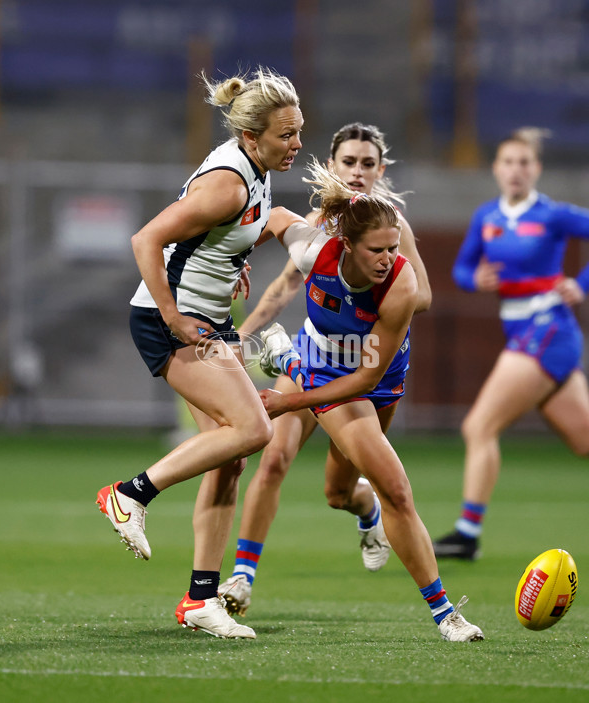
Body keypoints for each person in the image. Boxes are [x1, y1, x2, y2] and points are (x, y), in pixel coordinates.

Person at [95, 67, 303, 639]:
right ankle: (129, 494)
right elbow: (147, 239)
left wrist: (235, 263)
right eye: (286, 135)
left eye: (299, 131)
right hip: (174, 323)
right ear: (253, 136)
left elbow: (226, 233)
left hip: (205, 318)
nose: (297, 144)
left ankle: (199, 602)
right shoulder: (231, 182)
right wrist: (173, 316)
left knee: (228, 457)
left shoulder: (254, 173)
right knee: (255, 429)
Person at [251, 159, 484, 641]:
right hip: (329, 374)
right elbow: (271, 217)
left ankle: (364, 510)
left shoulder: (400, 284)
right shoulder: (315, 251)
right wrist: (236, 259)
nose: (387, 258)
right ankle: (447, 615)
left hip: (374, 382)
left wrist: (287, 396)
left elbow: (367, 377)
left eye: (393, 248)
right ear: (348, 246)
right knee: (397, 487)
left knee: (338, 492)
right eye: (377, 249)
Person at [219, 124, 431, 617]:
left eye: (367, 163)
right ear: (333, 167)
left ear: (381, 171)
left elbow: (423, 297)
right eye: (348, 162)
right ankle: (243, 578)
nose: (357, 171)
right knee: (271, 456)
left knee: (338, 491)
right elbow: (282, 288)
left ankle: (365, 508)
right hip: (314, 355)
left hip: (369, 372)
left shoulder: (393, 233)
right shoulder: (316, 227)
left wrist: (378, 294)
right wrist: (239, 339)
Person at [433, 127, 589, 560]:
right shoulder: (488, 217)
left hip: (548, 330)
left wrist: (582, 284)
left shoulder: (553, 214)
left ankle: (466, 534)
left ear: (536, 169)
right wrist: (475, 279)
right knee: (584, 443)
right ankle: (467, 535)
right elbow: (463, 270)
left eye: (524, 162)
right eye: (508, 162)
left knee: (478, 426)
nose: (516, 170)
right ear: (496, 169)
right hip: (521, 332)